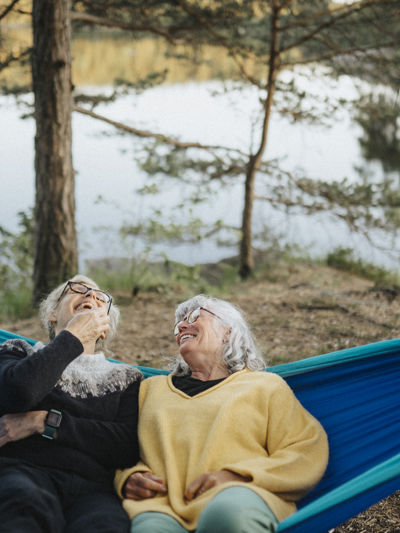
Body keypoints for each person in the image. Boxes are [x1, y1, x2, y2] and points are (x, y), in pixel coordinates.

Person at [115, 295, 329, 533]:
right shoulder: (149, 390)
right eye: (179, 325)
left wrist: (238, 477)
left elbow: (306, 448)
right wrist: (128, 478)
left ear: (228, 331)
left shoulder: (265, 386)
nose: (182, 326)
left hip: (240, 497)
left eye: (195, 316)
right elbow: (118, 448)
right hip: (163, 507)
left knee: (226, 516)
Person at [0, 274, 142, 533]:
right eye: (78, 289)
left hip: (94, 490)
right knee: (22, 505)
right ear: (52, 313)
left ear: (105, 325)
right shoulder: (18, 352)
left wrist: (43, 422)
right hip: (24, 472)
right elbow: (18, 393)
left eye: (101, 297)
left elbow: (125, 445)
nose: (91, 295)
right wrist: (73, 336)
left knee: (106, 525)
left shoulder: (126, 378)